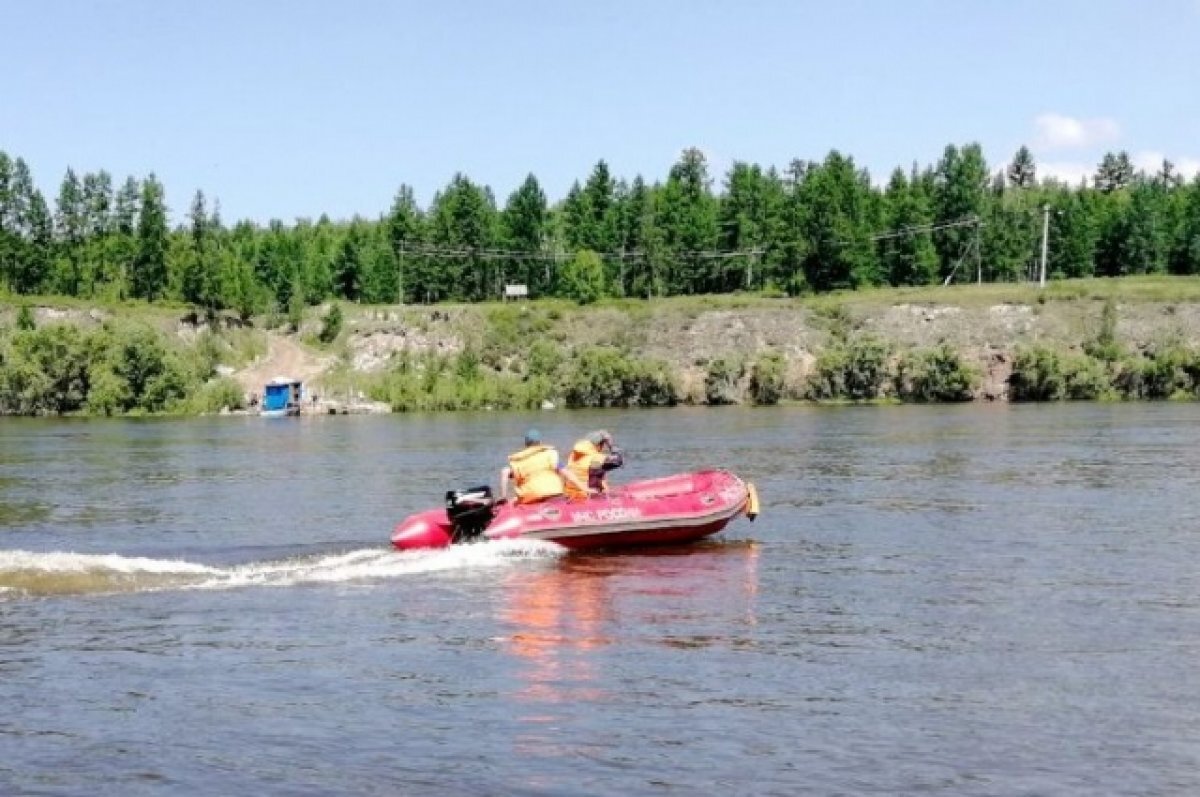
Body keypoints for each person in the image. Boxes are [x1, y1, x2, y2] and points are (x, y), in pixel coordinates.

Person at [500, 429, 590, 505]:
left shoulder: (520, 461)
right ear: (540, 442)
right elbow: (567, 473)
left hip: (532, 497)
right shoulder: (549, 454)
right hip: (554, 493)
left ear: (526, 444)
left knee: (515, 500)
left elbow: (505, 472)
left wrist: (504, 497)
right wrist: (584, 488)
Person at [563, 429, 624, 500]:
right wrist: (611, 446)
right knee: (598, 475)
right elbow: (619, 461)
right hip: (586, 495)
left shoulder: (574, 454)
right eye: (603, 444)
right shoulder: (596, 459)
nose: (603, 447)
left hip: (570, 492)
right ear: (598, 445)